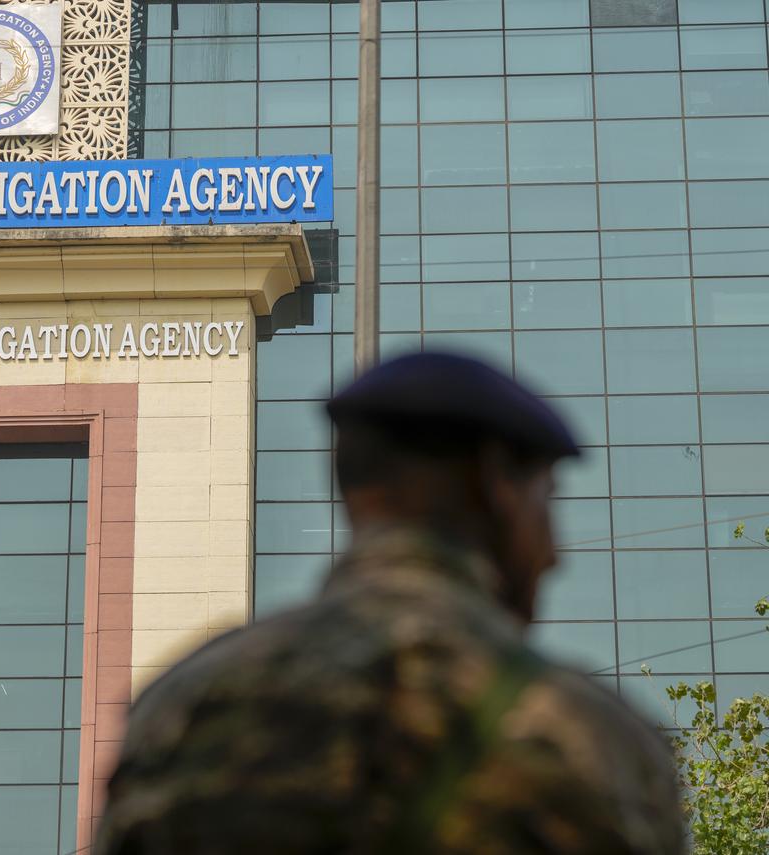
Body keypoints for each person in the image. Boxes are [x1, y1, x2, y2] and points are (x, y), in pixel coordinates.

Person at [94, 353, 684, 855]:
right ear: (496, 483)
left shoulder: (180, 709)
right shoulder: (587, 737)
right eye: (547, 499)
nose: (555, 555)